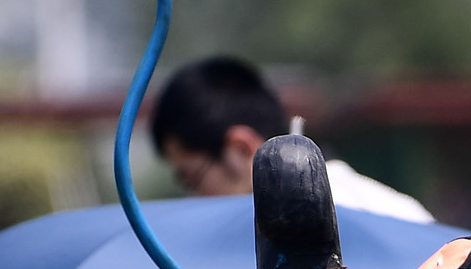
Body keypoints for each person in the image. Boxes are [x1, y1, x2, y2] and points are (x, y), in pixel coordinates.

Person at [149, 56, 436, 222]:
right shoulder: (401, 212)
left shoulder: (307, 227)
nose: (194, 199)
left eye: (191, 178)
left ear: (241, 148)